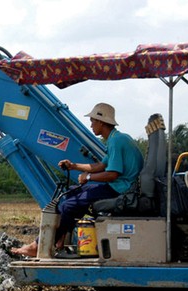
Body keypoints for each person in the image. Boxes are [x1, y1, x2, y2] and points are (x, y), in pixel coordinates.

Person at [12, 103, 144, 257]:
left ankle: (38, 245)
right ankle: (60, 239)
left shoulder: (115, 141)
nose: (91, 124)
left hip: (121, 190)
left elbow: (112, 174)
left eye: (93, 121)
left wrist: (87, 177)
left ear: (101, 122)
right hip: (119, 187)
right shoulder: (117, 138)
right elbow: (101, 165)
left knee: (69, 206)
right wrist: (74, 166)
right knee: (70, 193)